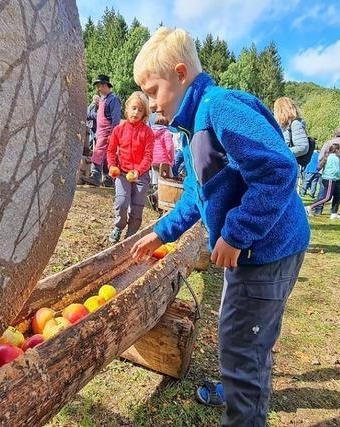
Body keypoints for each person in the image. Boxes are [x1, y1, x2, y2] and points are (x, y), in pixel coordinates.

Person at [130, 27, 310, 426]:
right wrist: (162, 232)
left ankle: (243, 408)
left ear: (180, 74)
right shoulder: (193, 126)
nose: (150, 103)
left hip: (266, 249)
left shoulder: (220, 108)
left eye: (153, 90)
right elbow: (198, 193)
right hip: (251, 250)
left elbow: (279, 169)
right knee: (245, 334)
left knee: (241, 342)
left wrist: (235, 233)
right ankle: (240, 383)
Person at [106, 91, 154, 243]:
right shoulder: (118, 130)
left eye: (140, 110)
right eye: (134, 108)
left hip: (141, 175)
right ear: (127, 109)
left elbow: (148, 156)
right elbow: (111, 150)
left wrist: (138, 170)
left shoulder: (148, 132)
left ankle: (130, 237)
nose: (136, 112)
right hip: (122, 173)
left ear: (144, 113)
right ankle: (119, 226)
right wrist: (112, 165)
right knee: (121, 201)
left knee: (137, 206)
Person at [81, 75, 122, 188]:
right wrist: (84, 114)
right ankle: (108, 179)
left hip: (108, 132)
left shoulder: (113, 99)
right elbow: (97, 116)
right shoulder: (103, 100)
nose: (98, 89)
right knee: (104, 157)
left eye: (99, 86)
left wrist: (113, 135)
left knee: (98, 153)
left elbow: (116, 119)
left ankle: (96, 176)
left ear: (105, 85)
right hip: (100, 133)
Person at [315, 128, 340, 218]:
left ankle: (318, 210)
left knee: (323, 191)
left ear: (334, 133)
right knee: (338, 192)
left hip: (327, 171)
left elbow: (321, 156)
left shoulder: (328, 142)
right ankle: (334, 212)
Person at [305, 143, 340, 216]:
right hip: (330, 179)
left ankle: (311, 208)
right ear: (336, 150)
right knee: (327, 198)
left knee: (326, 197)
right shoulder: (335, 158)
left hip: (326, 178)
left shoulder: (328, 156)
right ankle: (309, 207)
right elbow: (336, 170)